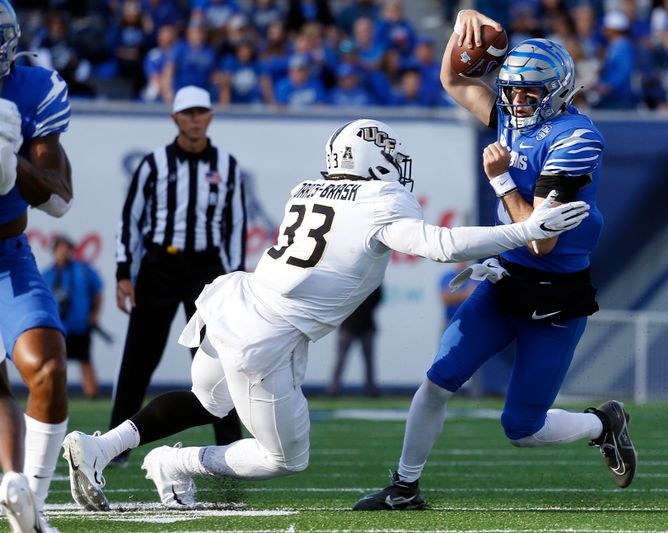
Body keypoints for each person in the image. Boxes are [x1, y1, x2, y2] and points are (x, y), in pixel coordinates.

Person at [61, 117, 590, 512]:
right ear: (370, 158)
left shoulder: (307, 187)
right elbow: (440, 243)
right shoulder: (381, 198)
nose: (396, 161)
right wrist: (527, 229)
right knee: (285, 460)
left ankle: (101, 445)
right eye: (387, 151)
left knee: (206, 399)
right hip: (269, 332)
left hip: (233, 300)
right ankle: (170, 462)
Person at [352, 10, 638, 511]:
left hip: (555, 296)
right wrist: (462, 24)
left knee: (522, 430)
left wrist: (502, 181)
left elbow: (541, 240)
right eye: (513, 90)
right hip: (504, 278)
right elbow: (451, 77)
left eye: (531, 93)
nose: (518, 101)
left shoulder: (576, 137)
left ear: (558, 91)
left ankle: (604, 422)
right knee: (438, 380)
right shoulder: (509, 115)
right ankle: (404, 486)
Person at [105, 85, 245, 470]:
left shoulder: (228, 167)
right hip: (160, 268)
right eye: (188, 113)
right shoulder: (153, 165)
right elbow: (130, 220)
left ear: (210, 118)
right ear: (175, 119)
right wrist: (123, 271)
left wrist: (231, 280)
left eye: (202, 112)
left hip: (206, 272)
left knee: (219, 360)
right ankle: (115, 444)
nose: (195, 119)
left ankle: (230, 446)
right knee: (138, 358)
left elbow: (236, 227)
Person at [0, 1, 73, 531]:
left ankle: (32, 505)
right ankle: (9, 481)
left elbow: (60, 199)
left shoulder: (33, 89)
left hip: (7, 255)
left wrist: (11, 163)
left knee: (46, 366)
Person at [41, 236, 103, 400]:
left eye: (67, 249)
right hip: (58, 325)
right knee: (56, 360)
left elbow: (97, 292)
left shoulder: (83, 270)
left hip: (80, 323)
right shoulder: (48, 274)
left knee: (85, 358)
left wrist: (94, 314)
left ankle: (92, 393)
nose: (65, 252)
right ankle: (56, 393)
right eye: (61, 249)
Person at [328, 285, 382, 397]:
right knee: (342, 359)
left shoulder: (372, 278)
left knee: (367, 360)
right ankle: (334, 389)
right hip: (350, 324)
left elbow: (378, 298)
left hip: (363, 324)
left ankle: (370, 390)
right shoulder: (371, 277)